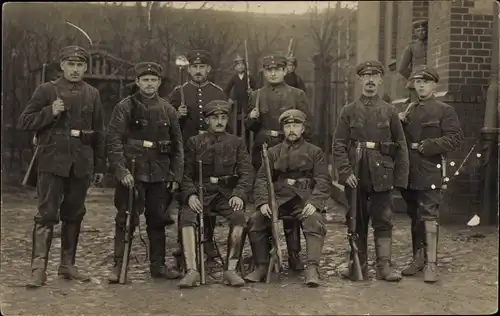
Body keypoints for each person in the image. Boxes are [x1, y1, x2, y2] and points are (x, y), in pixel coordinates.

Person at [18, 45, 106, 288]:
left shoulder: (92, 94)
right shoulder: (47, 89)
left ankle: (67, 265)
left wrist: (99, 166)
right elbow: (25, 121)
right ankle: (38, 269)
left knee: (74, 213)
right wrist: (49, 111)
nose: (75, 69)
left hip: (81, 162)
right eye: (71, 64)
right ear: (62, 66)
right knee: (46, 214)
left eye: (80, 65)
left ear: (85, 67)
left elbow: (99, 132)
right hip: (52, 160)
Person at [106, 61, 184, 282]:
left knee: (158, 219)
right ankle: (118, 266)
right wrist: (121, 171)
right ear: (138, 82)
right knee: (126, 219)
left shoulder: (168, 109)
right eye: (145, 80)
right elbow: (113, 141)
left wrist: (175, 175)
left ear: (159, 83)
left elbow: (177, 146)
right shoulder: (125, 106)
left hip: (160, 172)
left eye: (153, 80)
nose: (149, 84)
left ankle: (158, 266)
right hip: (133, 171)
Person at [333, 60, 409, 282]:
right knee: (356, 219)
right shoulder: (348, 111)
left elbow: (401, 145)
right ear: (359, 80)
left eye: (374, 76)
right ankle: (358, 264)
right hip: (356, 173)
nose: (370, 81)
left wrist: (400, 179)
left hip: (382, 173)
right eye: (365, 76)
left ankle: (384, 267)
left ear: (380, 80)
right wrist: (345, 172)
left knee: (383, 219)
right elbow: (338, 144)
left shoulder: (390, 111)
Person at [245, 54, 314, 272]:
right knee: (265, 201)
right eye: (268, 69)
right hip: (264, 150)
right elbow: (248, 127)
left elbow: (308, 127)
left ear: (286, 71)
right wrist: (252, 119)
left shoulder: (297, 94)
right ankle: (264, 255)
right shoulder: (256, 95)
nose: (273, 73)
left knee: (290, 197)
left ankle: (293, 254)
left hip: (290, 150)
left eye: (277, 69)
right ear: (264, 72)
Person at [245, 109, 330, 287]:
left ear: (303, 129)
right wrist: (262, 202)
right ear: (283, 129)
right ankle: (261, 265)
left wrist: (315, 203)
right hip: (279, 199)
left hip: (303, 200)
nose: (292, 129)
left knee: (314, 221)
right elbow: (261, 179)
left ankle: (312, 268)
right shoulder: (272, 152)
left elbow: (323, 180)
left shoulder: (315, 152)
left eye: (296, 125)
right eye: (288, 126)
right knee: (256, 220)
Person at [178, 100, 253, 288]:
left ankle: (231, 269)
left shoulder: (236, 143)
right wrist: (190, 195)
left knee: (239, 217)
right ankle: (192, 270)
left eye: (223, 117)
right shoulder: (195, 142)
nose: (219, 121)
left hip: (226, 194)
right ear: (207, 120)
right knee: (187, 216)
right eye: (214, 118)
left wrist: (239, 194)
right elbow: (185, 174)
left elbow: (246, 172)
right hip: (201, 192)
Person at [398, 66, 463, 283]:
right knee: (415, 216)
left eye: (425, 82)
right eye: (417, 82)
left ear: (434, 85)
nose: (421, 85)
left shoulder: (444, 110)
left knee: (429, 215)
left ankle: (431, 264)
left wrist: (429, 145)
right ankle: (418, 259)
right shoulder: (409, 110)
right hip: (410, 171)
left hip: (431, 167)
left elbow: (455, 138)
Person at [168, 49, 228, 267]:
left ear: (208, 69)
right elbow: (168, 123)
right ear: (189, 69)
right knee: (186, 195)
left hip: (212, 150)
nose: (198, 71)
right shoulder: (178, 92)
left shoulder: (218, 92)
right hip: (187, 151)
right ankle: (181, 243)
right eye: (194, 67)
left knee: (210, 193)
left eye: (202, 67)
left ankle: (208, 242)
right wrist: (177, 115)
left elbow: (225, 121)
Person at [224, 55, 257, 147]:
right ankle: (237, 144)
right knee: (237, 126)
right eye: (238, 65)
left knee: (248, 125)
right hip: (237, 106)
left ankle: (248, 145)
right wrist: (229, 99)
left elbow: (258, 89)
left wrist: (252, 92)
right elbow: (226, 89)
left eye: (242, 64)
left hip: (248, 104)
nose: (241, 66)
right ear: (235, 67)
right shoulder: (234, 78)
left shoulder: (249, 77)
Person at [398, 20, 428, 102]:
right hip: (415, 82)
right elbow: (402, 69)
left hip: (430, 80)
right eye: (418, 31)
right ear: (415, 32)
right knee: (416, 105)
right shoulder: (411, 46)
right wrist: (413, 75)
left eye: (423, 30)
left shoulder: (431, 43)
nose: (421, 33)